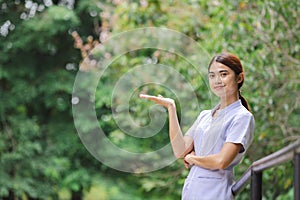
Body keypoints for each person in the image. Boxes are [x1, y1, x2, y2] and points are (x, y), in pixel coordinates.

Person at [139, 52, 255, 200]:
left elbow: (221, 161)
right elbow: (180, 150)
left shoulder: (241, 117)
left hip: (215, 193)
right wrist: (171, 108)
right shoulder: (205, 116)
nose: (217, 80)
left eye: (223, 74)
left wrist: (193, 159)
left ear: (239, 78)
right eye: (212, 76)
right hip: (191, 190)